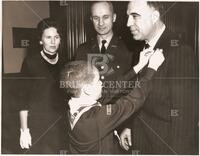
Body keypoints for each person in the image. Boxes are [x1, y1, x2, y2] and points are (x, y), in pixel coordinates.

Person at [120, 0, 198, 154]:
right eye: (128, 16)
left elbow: (184, 117)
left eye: (135, 16)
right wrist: (130, 125)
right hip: (140, 142)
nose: (128, 23)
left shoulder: (180, 51)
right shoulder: (140, 49)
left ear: (155, 16)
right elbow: (139, 94)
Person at [60, 47, 165, 154]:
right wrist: (151, 69)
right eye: (98, 81)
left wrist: (137, 67)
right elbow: (129, 103)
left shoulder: (77, 107)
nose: (101, 83)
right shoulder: (94, 119)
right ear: (87, 89)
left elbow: (111, 91)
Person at [19, 18, 67, 154]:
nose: (53, 41)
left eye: (56, 37)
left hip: (61, 126)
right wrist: (24, 130)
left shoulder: (66, 62)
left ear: (60, 39)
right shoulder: (30, 62)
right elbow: (23, 99)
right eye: (48, 37)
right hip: (38, 125)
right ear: (41, 40)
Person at [75, 1, 133, 104]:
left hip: (118, 114)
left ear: (114, 17)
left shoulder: (129, 49)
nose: (100, 23)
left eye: (105, 17)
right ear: (91, 19)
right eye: (96, 18)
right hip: (91, 114)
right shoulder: (82, 50)